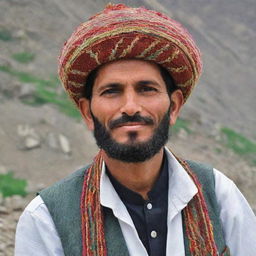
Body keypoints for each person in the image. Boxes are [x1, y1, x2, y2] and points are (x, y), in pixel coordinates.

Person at [15, 3, 256, 256]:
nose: (130, 107)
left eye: (146, 89)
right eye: (112, 91)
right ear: (87, 112)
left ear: (173, 106)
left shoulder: (219, 194)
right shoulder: (45, 219)